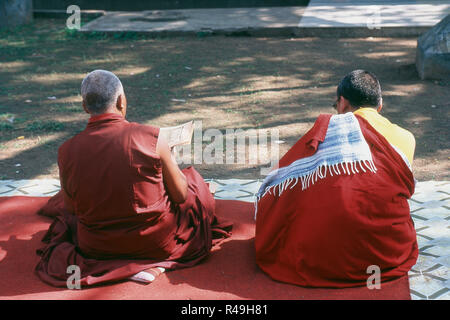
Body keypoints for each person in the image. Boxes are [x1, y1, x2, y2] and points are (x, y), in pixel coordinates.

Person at [35, 70, 232, 287]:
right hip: (156, 243)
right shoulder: (152, 138)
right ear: (121, 101)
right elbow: (180, 195)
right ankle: (153, 264)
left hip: (96, 247)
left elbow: (71, 209)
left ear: (85, 107)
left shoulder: (67, 150)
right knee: (193, 183)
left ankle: (126, 266)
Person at [255, 70, 418, 288]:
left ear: (342, 103)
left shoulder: (326, 133)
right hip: (384, 254)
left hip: (320, 257)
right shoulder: (407, 138)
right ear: (380, 105)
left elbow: (282, 180)